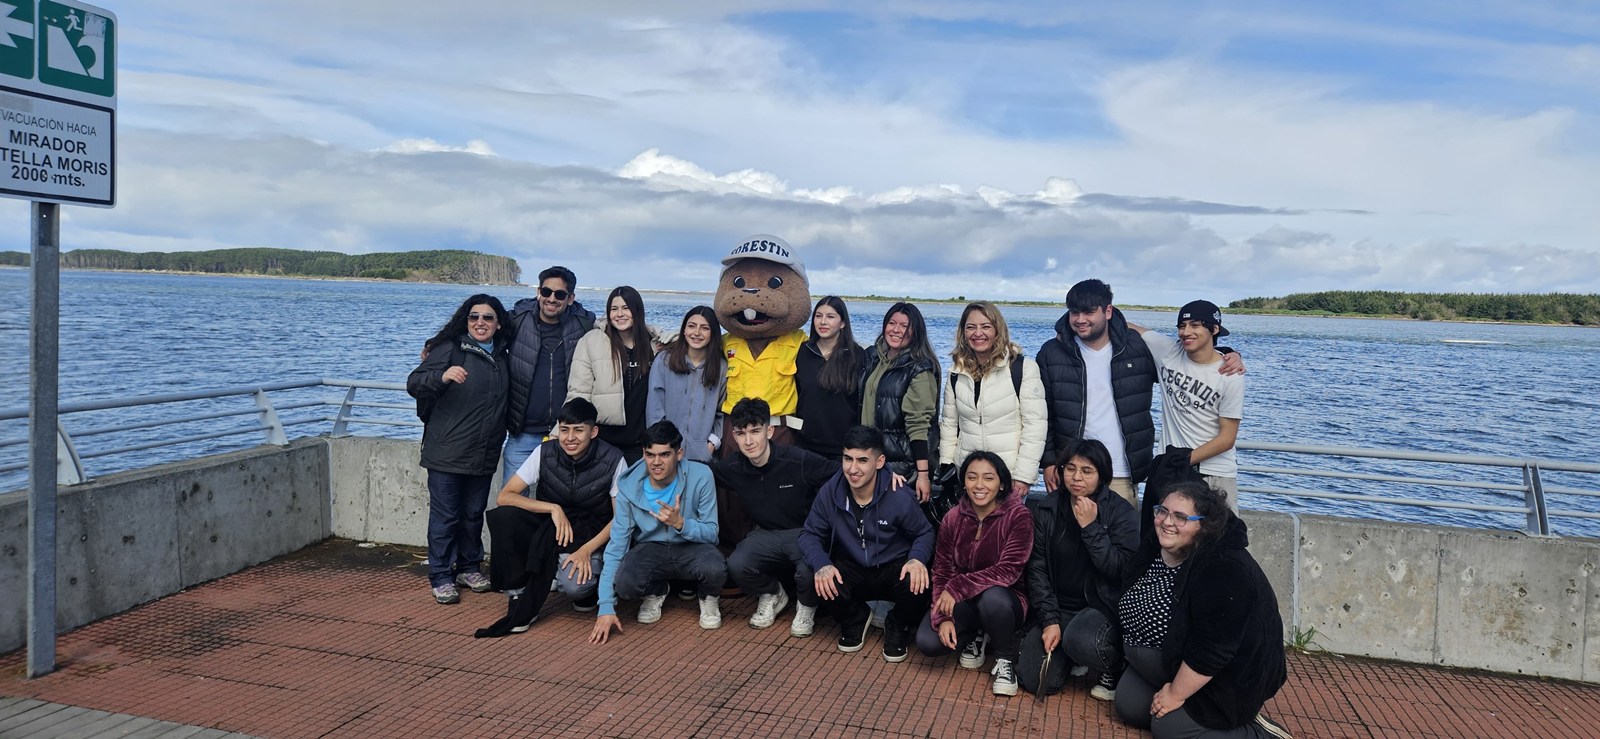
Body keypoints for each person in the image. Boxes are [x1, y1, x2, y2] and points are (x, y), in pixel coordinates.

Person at [1036, 280, 1242, 508]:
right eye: (1074, 312)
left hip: (1122, 472)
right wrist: (1049, 462)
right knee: (1067, 540)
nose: (1080, 319)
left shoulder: (1137, 348)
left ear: (1108, 311)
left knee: (1124, 541)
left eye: (1088, 312)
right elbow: (1043, 412)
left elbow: (1192, 356)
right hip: (1072, 471)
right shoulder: (1052, 352)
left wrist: (1227, 352)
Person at [1114, 481, 1290, 739]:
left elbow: (1213, 648)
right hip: (1173, 661)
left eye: (1181, 517)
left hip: (1229, 676)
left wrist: (1175, 694)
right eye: (1162, 511)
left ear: (1204, 525)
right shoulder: (1161, 545)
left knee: (1169, 728)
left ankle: (1260, 732)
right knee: (1129, 705)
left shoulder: (1224, 568)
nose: (1166, 522)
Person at [474, 399, 627, 637]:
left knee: (575, 587)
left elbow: (621, 520)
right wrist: (553, 509)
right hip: (552, 526)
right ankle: (518, 593)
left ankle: (588, 591)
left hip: (590, 531)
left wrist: (587, 550)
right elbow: (505, 496)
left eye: (578, 430)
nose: (570, 438)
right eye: (564, 430)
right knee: (505, 517)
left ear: (593, 431)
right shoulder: (545, 452)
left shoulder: (614, 459)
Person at [406, 294, 511, 604]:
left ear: (498, 323)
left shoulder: (502, 354)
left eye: (488, 317)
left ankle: (468, 567)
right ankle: (440, 575)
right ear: (466, 321)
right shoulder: (450, 349)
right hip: (447, 451)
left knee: (472, 515)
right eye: (474, 317)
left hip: (484, 452)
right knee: (446, 517)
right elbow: (414, 382)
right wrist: (442, 375)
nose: (481, 322)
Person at [798, 425, 934, 661]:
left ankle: (897, 625)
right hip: (853, 565)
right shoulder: (831, 491)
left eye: (862, 460)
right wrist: (822, 564)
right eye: (847, 458)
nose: (853, 468)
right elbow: (809, 534)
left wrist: (916, 559)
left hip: (892, 566)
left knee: (917, 578)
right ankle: (855, 618)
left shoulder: (898, 494)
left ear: (879, 462)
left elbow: (925, 532)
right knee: (818, 574)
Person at [1018, 438, 1140, 700]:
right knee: (1035, 680)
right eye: (1070, 469)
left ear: (1102, 475)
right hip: (1059, 606)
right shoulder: (1048, 509)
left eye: (1087, 471)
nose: (1076, 478)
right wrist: (1049, 619)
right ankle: (1070, 653)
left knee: (1082, 639)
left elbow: (1121, 570)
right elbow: (1036, 569)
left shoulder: (1120, 512)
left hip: (1099, 607)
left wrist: (1090, 528)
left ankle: (1113, 666)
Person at [589, 421, 724, 644]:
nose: (656, 463)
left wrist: (681, 523)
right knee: (625, 584)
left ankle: (707, 596)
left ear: (679, 453)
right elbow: (616, 547)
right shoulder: (629, 486)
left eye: (664, 455)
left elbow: (712, 533)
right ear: (643, 453)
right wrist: (605, 608)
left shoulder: (702, 475)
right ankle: (656, 590)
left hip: (692, 546)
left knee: (715, 568)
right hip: (651, 548)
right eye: (650, 455)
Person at [712, 398, 837, 635]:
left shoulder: (798, 460)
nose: (748, 441)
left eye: (755, 431)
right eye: (741, 434)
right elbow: (700, 473)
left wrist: (884, 475)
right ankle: (772, 594)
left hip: (804, 534)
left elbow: (843, 473)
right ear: (734, 437)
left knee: (809, 570)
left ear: (769, 431)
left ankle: (806, 606)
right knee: (737, 564)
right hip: (766, 534)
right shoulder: (733, 467)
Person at [915, 451, 1034, 696]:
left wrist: (958, 587)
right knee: (929, 642)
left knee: (993, 598)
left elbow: (1009, 570)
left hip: (1005, 600)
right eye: (972, 477)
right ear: (964, 482)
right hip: (964, 602)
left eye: (988, 478)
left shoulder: (1018, 516)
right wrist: (943, 618)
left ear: (1001, 483)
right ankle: (977, 633)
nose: (979, 485)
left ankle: (1004, 659)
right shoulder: (953, 518)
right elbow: (941, 570)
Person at [1127, 301, 1246, 512]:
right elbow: (1126, 325)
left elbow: (1227, 439)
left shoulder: (1230, 375)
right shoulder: (1168, 351)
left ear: (1215, 329)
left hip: (1214, 473)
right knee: (1165, 538)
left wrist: (1181, 460)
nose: (1186, 332)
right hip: (1171, 470)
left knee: (1220, 541)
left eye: (1195, 325)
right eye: (1182, 326)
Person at [939, 301, 1048, 496]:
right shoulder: (956, 372)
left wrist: (1023, 476)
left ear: (998, 330)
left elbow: (1035, 427)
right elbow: (949, 424)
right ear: (963, 332)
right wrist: (947, 464)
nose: (977, 333)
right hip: (968, 476)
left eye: (986, 326)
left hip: (1007, 476)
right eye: (970, 327)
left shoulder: (1022, 369)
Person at [503, 265, 595, 479]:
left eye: (560, 294)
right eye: (546, 292)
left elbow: (621, 330)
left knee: (565, 503)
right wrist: (438, 344)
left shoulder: (584, 324)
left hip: (567, 434)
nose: (552, 299)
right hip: (522, 433)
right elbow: (481, 329)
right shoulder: (518, 319)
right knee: (511, 504)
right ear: (538, 292)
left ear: (570, 298)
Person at [860, 302, 940, 502]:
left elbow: (919, 425)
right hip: (870, 457)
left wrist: (923, 475)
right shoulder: (874, 357)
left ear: (916, 332)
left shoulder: (919, 370)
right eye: (892, 323)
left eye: (905, 326)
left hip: (900, 464)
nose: (896, 330)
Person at [569, 286, 656, 464]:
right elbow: (579, 391)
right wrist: (567, 431)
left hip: (640, 444)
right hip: (602, 441)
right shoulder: (592, 341)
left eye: (626, 308)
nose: (619, 314)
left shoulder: (653, 345)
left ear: (637, 310)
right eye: (614, 309)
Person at [647, 305, 726, 463]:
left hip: (702, 457)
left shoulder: (721, 367)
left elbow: (721, 411)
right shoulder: (664, 360)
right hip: (666, 454)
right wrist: (662, 446)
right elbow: (654, 408)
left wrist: (711, 445)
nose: (696, 333)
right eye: (691, 326)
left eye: (704, 328)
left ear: (713, 334)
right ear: (683, 330)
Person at [794, 296, 864, 461]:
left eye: (830, 316)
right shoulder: (802, 352)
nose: (823, 322)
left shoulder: (857, 355)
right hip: (805, 445)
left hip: (844, 448)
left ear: (842, 323)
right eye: (818, 316)